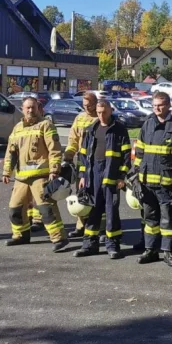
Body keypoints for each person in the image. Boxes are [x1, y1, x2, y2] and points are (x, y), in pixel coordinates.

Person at [2, 97, 68, 252]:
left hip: (41, 176)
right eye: (27, 108)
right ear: (22, 109)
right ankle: (21, 235)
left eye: (33, 107)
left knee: (46, 209)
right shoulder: (17, 128)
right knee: (15, 209)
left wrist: (54, 170)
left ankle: (59, 238)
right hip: (21, 178)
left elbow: (54, 150)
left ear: (38, 108)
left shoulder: (46, 125)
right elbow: (10, 152)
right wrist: (6, 171)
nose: (30, 111)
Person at [133, 91, 172, 266]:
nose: (157, 108)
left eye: (160, 105)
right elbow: (140, 151)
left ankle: (169, 251)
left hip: (167, 182)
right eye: (154, 105)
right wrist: (135, 174)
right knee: (150, 218)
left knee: (168, 219)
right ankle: (151, 250)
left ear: (168, 105)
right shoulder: (148, 124)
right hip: (146, 182)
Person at [74, 97, 131, 258]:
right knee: (92, 210)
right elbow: (84, 155)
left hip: (111, 174)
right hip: (93, 174)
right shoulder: (92, 128)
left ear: (111, 110)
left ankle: (112, 245)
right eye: (98, 112)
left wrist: (121, 176)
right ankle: (89, 245)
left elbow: (127, 156)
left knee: (111, 210)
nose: (101, 116)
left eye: (104, 112)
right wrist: (83, 176)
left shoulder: (119, 129)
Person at [65, 92, 98, 240]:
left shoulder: (101, 117)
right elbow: (73, 140)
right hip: (82, 163)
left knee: (96, 195)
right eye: (84, 105)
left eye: (89, 105)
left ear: (96, 102)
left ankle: (97, 227)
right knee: (81, 195)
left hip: (97, 163)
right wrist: (68, 155)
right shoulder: (79, 118)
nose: (87, 108)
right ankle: (80, 225)